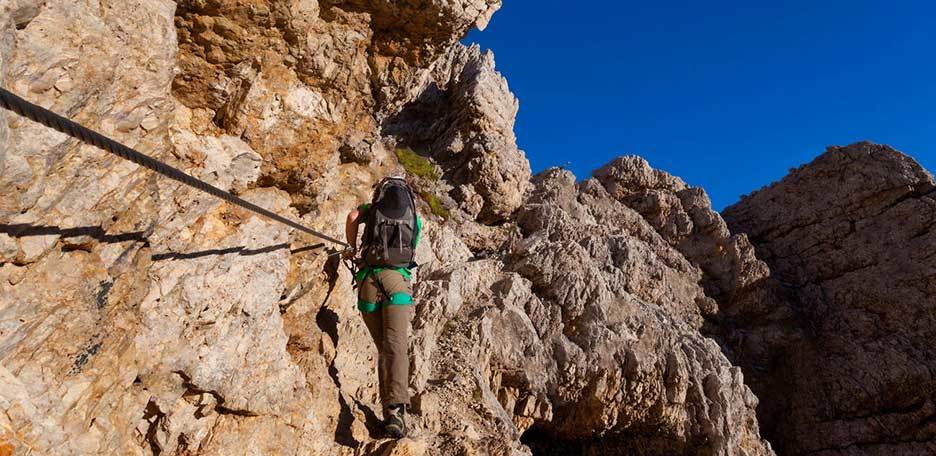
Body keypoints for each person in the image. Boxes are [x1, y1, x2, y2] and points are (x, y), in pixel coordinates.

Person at [343, 176, 423, 439]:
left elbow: (353, 215)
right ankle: (395, 413)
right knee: (396, 347)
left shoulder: (372, 209)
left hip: (368, 283)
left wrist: (351, 248)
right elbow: (412, 247)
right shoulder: (413, 217)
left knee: (384, 349)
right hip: (397, 283)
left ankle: (389, 411)